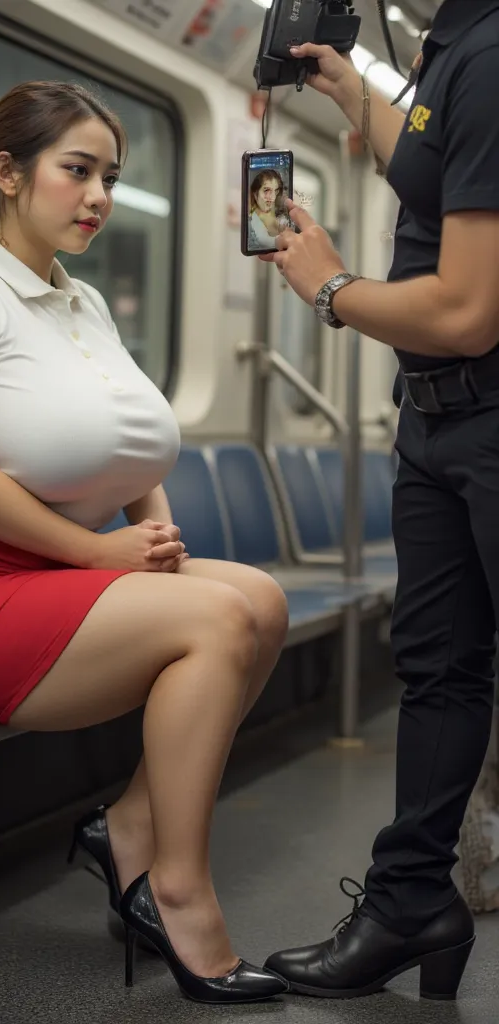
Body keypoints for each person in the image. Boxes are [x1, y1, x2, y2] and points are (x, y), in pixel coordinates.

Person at [0, 80, 289, 1005]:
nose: (99, 195)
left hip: (60, 574)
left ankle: (129, 827)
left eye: (111, 176)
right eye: (79, 171)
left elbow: (132, 440)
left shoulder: (82, 302)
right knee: (216, 621)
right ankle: (176, 886)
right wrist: (101, 556)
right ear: (10, 173)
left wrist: (153, 536)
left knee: (259, 597)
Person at [259, 0, 499, 1002]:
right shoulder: (449, 49)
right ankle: (412, 902)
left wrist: (330, 287)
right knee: (437, 666)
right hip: (433, 421)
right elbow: (435, 168)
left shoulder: (489, 56)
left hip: (485, 409)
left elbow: (466, 310)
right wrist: (352, 89)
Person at [248, 169, 290, 250]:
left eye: (276, 191)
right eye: (266, 190)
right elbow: (265, 241)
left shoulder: (281, 214)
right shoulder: (251, 221)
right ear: (255, 193)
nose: (272, 197)